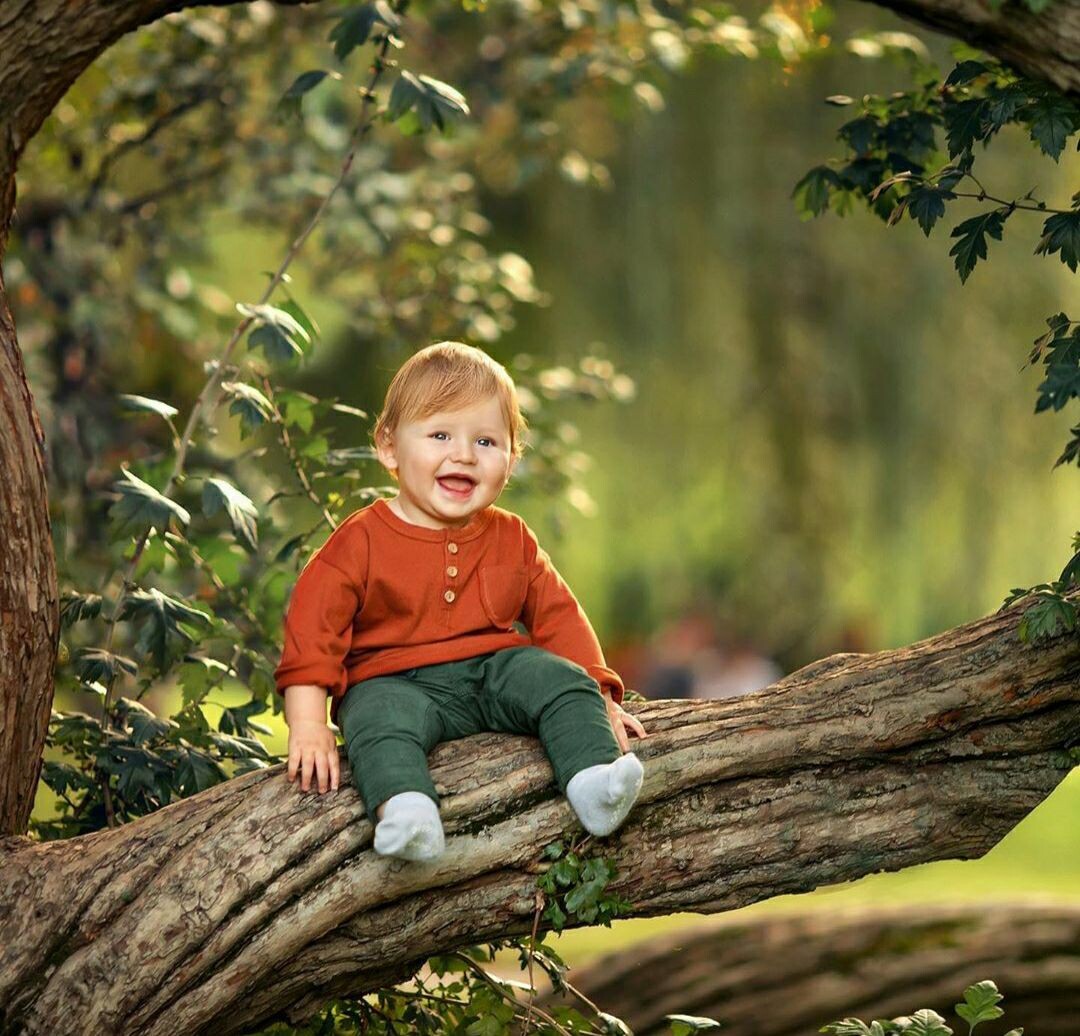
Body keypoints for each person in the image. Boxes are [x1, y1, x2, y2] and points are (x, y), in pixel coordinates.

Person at [274, 341, 647, 862]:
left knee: (562, 680)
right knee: (376, 721)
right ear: (388, 447)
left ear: (511, 460)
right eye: (440, 434)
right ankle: (406, 811)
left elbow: (559, 615)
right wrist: (309, 724)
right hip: (394, 681)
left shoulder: (512, 536)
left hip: (493, 673)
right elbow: (314, 632)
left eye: (487, 441)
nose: (464, 454)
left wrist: (603, 695)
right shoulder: (359, 542)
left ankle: (595, 781)